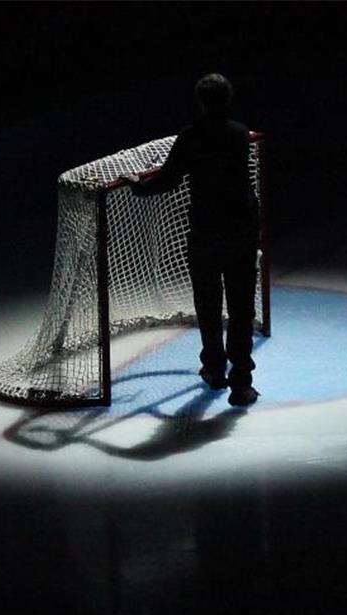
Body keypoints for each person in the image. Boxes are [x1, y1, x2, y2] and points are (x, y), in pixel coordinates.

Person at [122, 73, 261, 407]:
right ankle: (241, 381)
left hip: (206, 235)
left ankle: (214, 369)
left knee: (209, 303)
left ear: (200, 101)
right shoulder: (239, 134)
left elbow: (168, 179)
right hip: (240, 232)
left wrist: (137, 185)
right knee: (241, 308)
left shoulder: (191, 137)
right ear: (228, 99)